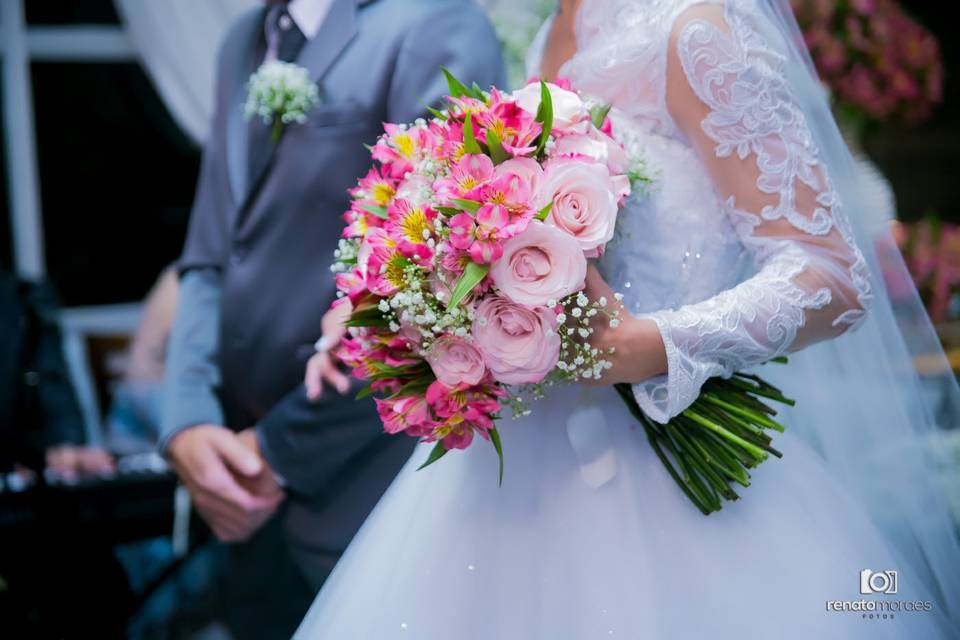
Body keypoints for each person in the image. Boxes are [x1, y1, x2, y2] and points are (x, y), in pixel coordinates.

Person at [294, 0, 960, 638]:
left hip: (666, 474)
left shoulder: (693, 28)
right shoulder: (552, 29)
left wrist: (652, 345)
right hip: (513, 480)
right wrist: (432, 303)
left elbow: (830, 273)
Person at [159, 0, 504, 638]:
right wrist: (186, 419)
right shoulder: (244, 40)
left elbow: (443, 276)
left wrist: (278, 450)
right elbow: (211, 254)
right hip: (233, 474)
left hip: (360, 475)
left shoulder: (434, 22)